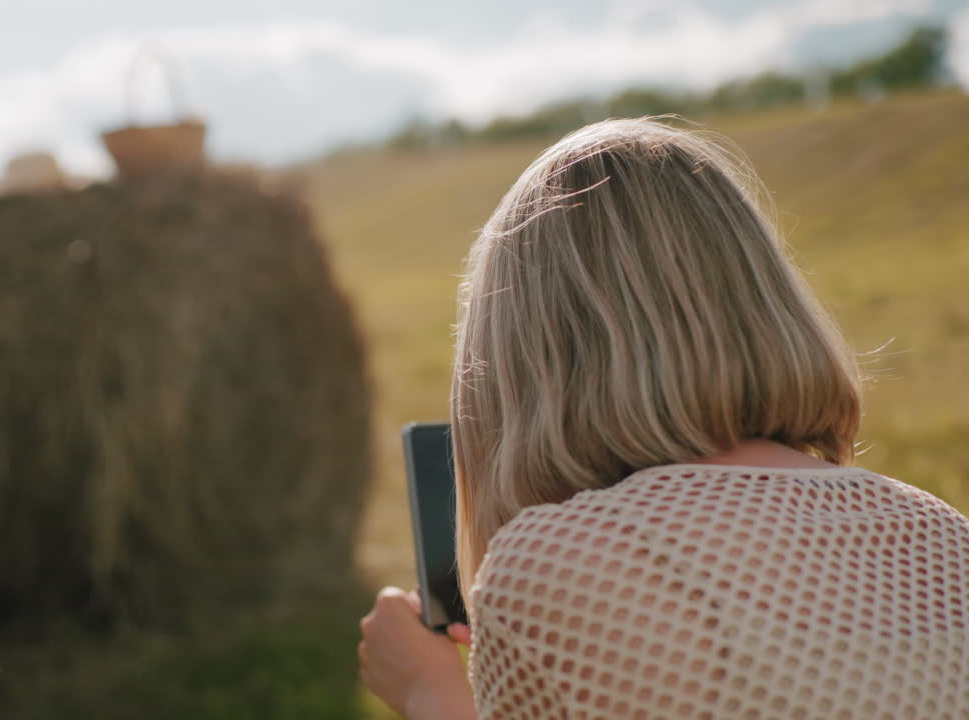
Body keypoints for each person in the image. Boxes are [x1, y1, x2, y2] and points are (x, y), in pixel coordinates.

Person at [358, 118, 969, 718]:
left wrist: (429, 692)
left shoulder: (563, 562)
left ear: (525, 359)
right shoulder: (944, 535)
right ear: (758, 295)